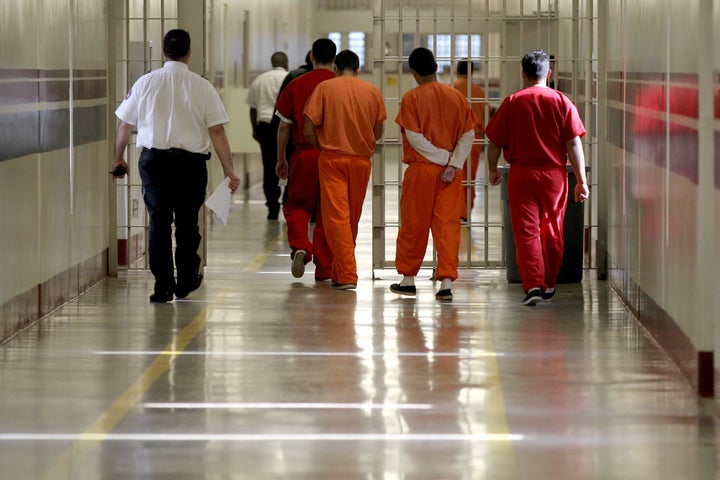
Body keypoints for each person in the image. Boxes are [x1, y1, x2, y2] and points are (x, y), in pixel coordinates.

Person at [111, 29, 241, 303]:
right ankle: (186, 279)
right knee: (187, 222)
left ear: (162, 52)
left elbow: (125, 123)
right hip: (190, 165)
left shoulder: (145, 82)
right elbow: (216, 131)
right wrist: (229, 169)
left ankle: (163, 286)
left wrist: (118, 157)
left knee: (158, 223)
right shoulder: (202, 86)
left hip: (154, 163)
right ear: (189, 52)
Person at [485, 49, 588, 306]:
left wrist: (492, 169)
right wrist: (581, 180)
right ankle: (549, 284)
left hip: (522, 174)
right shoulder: (562, 101)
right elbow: (573, 143)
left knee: (526, 231)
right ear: (549, 72)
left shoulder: (512, 102)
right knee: (552, 229)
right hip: (554, 175)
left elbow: (494, 143)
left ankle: (532, 285)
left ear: (523, 73)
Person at [389, 48, 476, 302]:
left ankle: (408, 280)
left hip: (422, 170)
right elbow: (468, 134)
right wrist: (453, 163)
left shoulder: (411, 98)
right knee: (448, 225)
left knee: (414, 224)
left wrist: (441, 159)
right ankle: (446, 282)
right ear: (436, 67)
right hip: (450, 174)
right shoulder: (457, 97)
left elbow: (414, 137)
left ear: (414, 73)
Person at [303, 50, 387, 290]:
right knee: (351, 217)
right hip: (361, 161)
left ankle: (348, 274)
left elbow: (308, 129)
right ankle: (340, 272)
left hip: (332, 159)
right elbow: (378, 131)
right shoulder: (372, 91)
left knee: (336, 217)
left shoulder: (325, 89)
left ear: (336, 68)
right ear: (358, 69)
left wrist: (325, 144)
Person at [275, 39, 337, 281]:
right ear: (334, 59)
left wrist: (281, 158)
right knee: (327, 211)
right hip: (333, 156)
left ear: (311, 56)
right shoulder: (340, 86)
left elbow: (284, 127)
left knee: (297, 206)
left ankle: (301, 245)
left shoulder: (296, 84)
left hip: (304, 154)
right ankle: (325, 268)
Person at [246, 51, 288, 219]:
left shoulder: (260, 80)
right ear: (286, 63)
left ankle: (272, 207)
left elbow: (253, 108)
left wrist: (255, 129)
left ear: (272, 62)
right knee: (289, 163)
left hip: (265, 126)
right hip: (285, 125)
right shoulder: (290, 78)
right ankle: (287, 201)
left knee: (269, 166)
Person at [452, 60, 488, 220]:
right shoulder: (479, 91)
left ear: (456, 70)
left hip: (456, 139)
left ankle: (456, 212)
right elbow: (486, 117)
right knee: (469, 178)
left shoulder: (452, 88)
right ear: (472, 72)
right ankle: (466, 213)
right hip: (475, 139)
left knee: (454, 175)